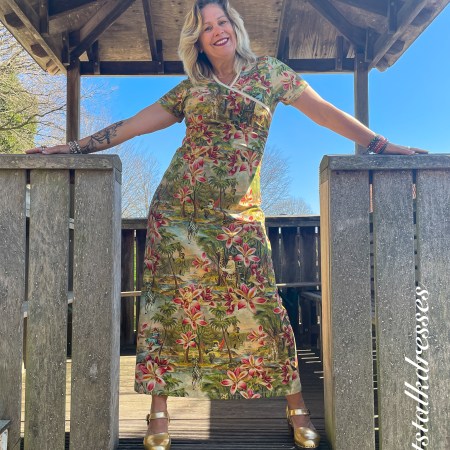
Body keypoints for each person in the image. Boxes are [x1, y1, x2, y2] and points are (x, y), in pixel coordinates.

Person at [26, 1, 428, 448]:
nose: (217, 30)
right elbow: (133, 126)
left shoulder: (270, 74)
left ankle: (296, 405)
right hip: (178, 213)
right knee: (168, 307)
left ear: (234, 26)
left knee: (264, 306)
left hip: (240, 217)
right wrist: (74, 148)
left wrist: (380, 144)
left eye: (222, 21)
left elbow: (323, 111)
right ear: (196, 41)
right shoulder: (192, 88)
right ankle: (159, 412)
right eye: (206, 27)